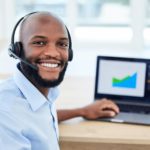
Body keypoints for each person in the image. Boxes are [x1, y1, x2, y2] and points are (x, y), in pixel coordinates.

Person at [0, 11, 119, 150]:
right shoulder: (5, 114)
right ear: (18, 50)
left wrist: (82, 111)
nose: (53, 53)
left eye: (62, 44)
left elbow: (37, 119)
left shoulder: (36, 94)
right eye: (39, 42)